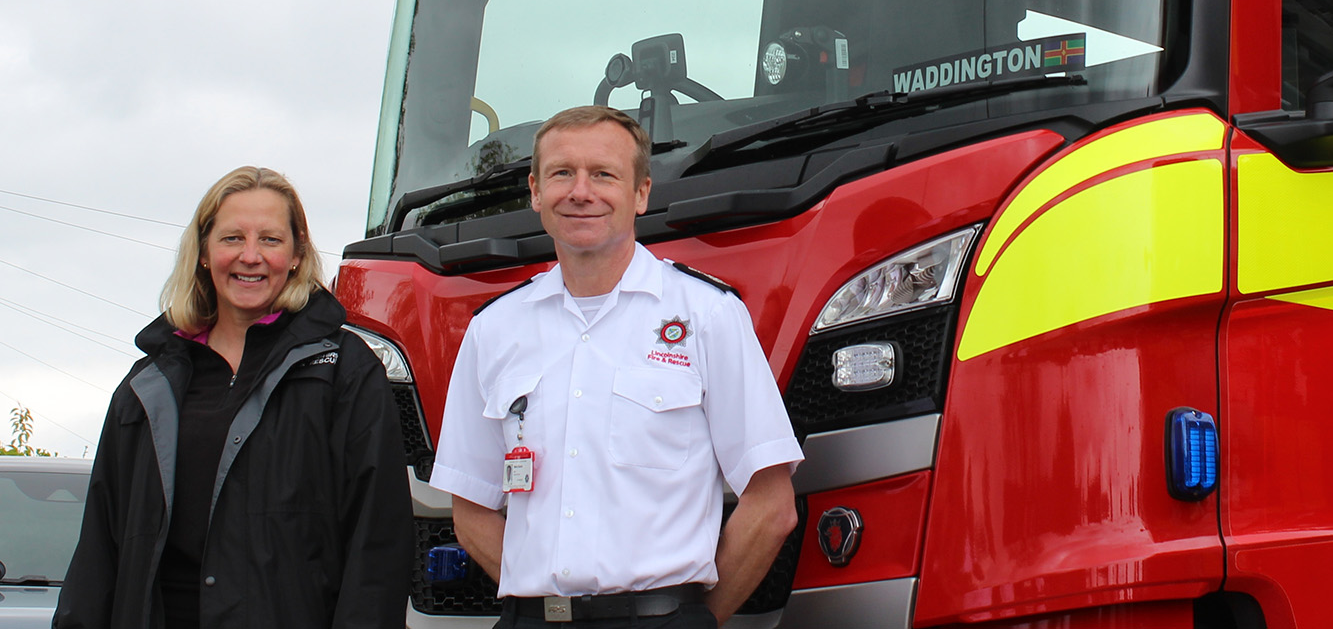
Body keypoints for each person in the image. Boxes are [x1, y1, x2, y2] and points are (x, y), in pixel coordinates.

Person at [432, 106, 801, 628]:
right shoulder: (493, 330)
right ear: (536, 192)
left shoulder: (708, 315)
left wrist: (693, 621)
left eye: (603, 174)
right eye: (562, 173)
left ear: (642, 193)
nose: (581, 192)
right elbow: (470, 510)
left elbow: (771, 506)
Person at [57, 167, 411, 629]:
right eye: (231, 239)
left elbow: (378, 545)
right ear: (204, 252)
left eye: (269, 239)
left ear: (296, 253)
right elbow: (99, 550)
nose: (250, 257)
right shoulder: (146, 385)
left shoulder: (346, 372)